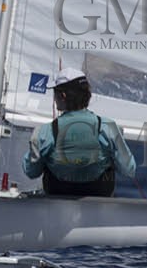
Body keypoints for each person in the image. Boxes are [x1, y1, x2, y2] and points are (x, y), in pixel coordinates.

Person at [21, 68, 137, 197]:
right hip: (98, 207)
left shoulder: (44, 132)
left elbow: (31, 171)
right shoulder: (107, 128)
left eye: (55, 93)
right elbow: (129, 169)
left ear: (62, 96)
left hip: (56, 208)